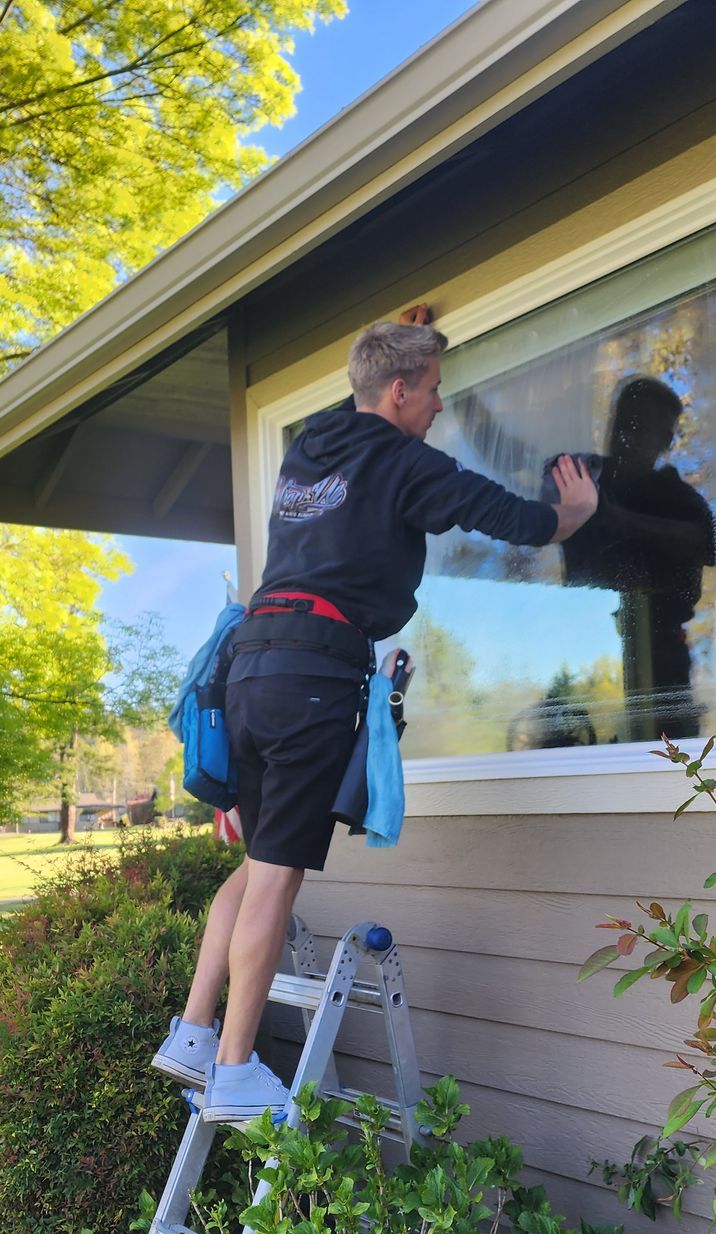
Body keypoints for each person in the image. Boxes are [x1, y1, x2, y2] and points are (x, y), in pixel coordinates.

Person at [153, 311, 601, 1125]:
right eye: (431, 391)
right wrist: (572, 513)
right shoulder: (405, 464)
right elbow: (512, 519)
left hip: (249, 665)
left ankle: (192, 1031)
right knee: (277, 878)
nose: (438, 407)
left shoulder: (310, 446)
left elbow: (357, 398)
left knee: (256, 864)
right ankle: (234, 1068)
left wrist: (403, 338)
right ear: (398, 391)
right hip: (312, 676)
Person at [557, 377, 716, 743]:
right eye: (653, 428)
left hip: (662, 649)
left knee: (673, 754)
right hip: (586, 647)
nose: (663, 441)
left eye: (667, 432)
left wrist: (623, 519)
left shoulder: (671, 492)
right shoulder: (582, 480)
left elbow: (711, 544)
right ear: (624, 424)